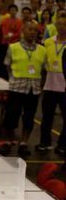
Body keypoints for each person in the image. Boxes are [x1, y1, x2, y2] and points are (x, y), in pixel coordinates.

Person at [0, 22, 46, 157]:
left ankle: (24, 143)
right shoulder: (13, 47)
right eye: (30, 29)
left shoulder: (42, 50)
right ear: (23, 31)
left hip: (34, 89)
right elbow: (7, 66)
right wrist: (14, 79)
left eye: (35, 30)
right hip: (17, 88)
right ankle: (8, 141)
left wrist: (40, 84)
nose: (33, 32)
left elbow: (43, 70)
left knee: (29, 117)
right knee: (11, 116)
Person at [36, 16, 66, 154]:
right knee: (47, 116)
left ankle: (63, 144)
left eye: (64, 24)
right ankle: (44, 142)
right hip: (49, 84)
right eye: (59, 24)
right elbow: (42, 63)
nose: (61, 27)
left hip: (64, 86)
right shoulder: (48, 42)